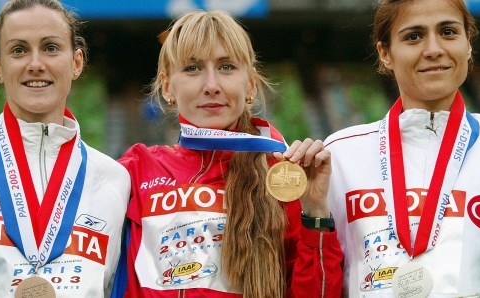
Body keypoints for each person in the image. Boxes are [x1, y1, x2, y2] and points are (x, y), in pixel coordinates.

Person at [113, 10, 343, 298]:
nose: (212, 86)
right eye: (193, 68)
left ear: (250, 85)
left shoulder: (283, 176)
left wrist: (316, 211)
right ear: (168, 86)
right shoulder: (136, 169)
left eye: (226, 67)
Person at [0, 0, 130, 297]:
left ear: (76, 63)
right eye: (19, 50)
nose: (35, 64)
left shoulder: (114, 180)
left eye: (50, 48)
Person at [325, 0, 480, 296]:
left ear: (468, 43)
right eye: (414, 36)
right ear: (385, 53)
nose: (434, 49)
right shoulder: (338, 155)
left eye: (448, 32)